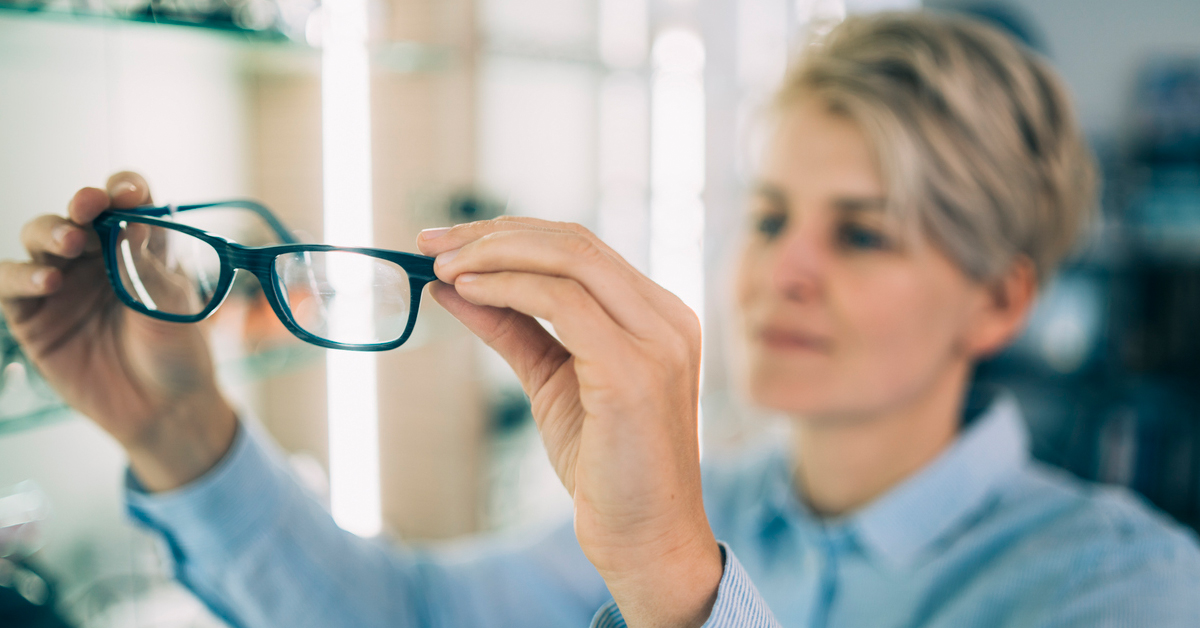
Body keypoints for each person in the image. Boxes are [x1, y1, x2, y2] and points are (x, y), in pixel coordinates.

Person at [2, 12, 1199, 628]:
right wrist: (181, 433)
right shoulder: (703, 498)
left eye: (865, 231)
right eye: (773, 214)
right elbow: (409, 621)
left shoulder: (1122, 586)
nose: (786, 268)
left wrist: (679, 582)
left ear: (1002, 298)